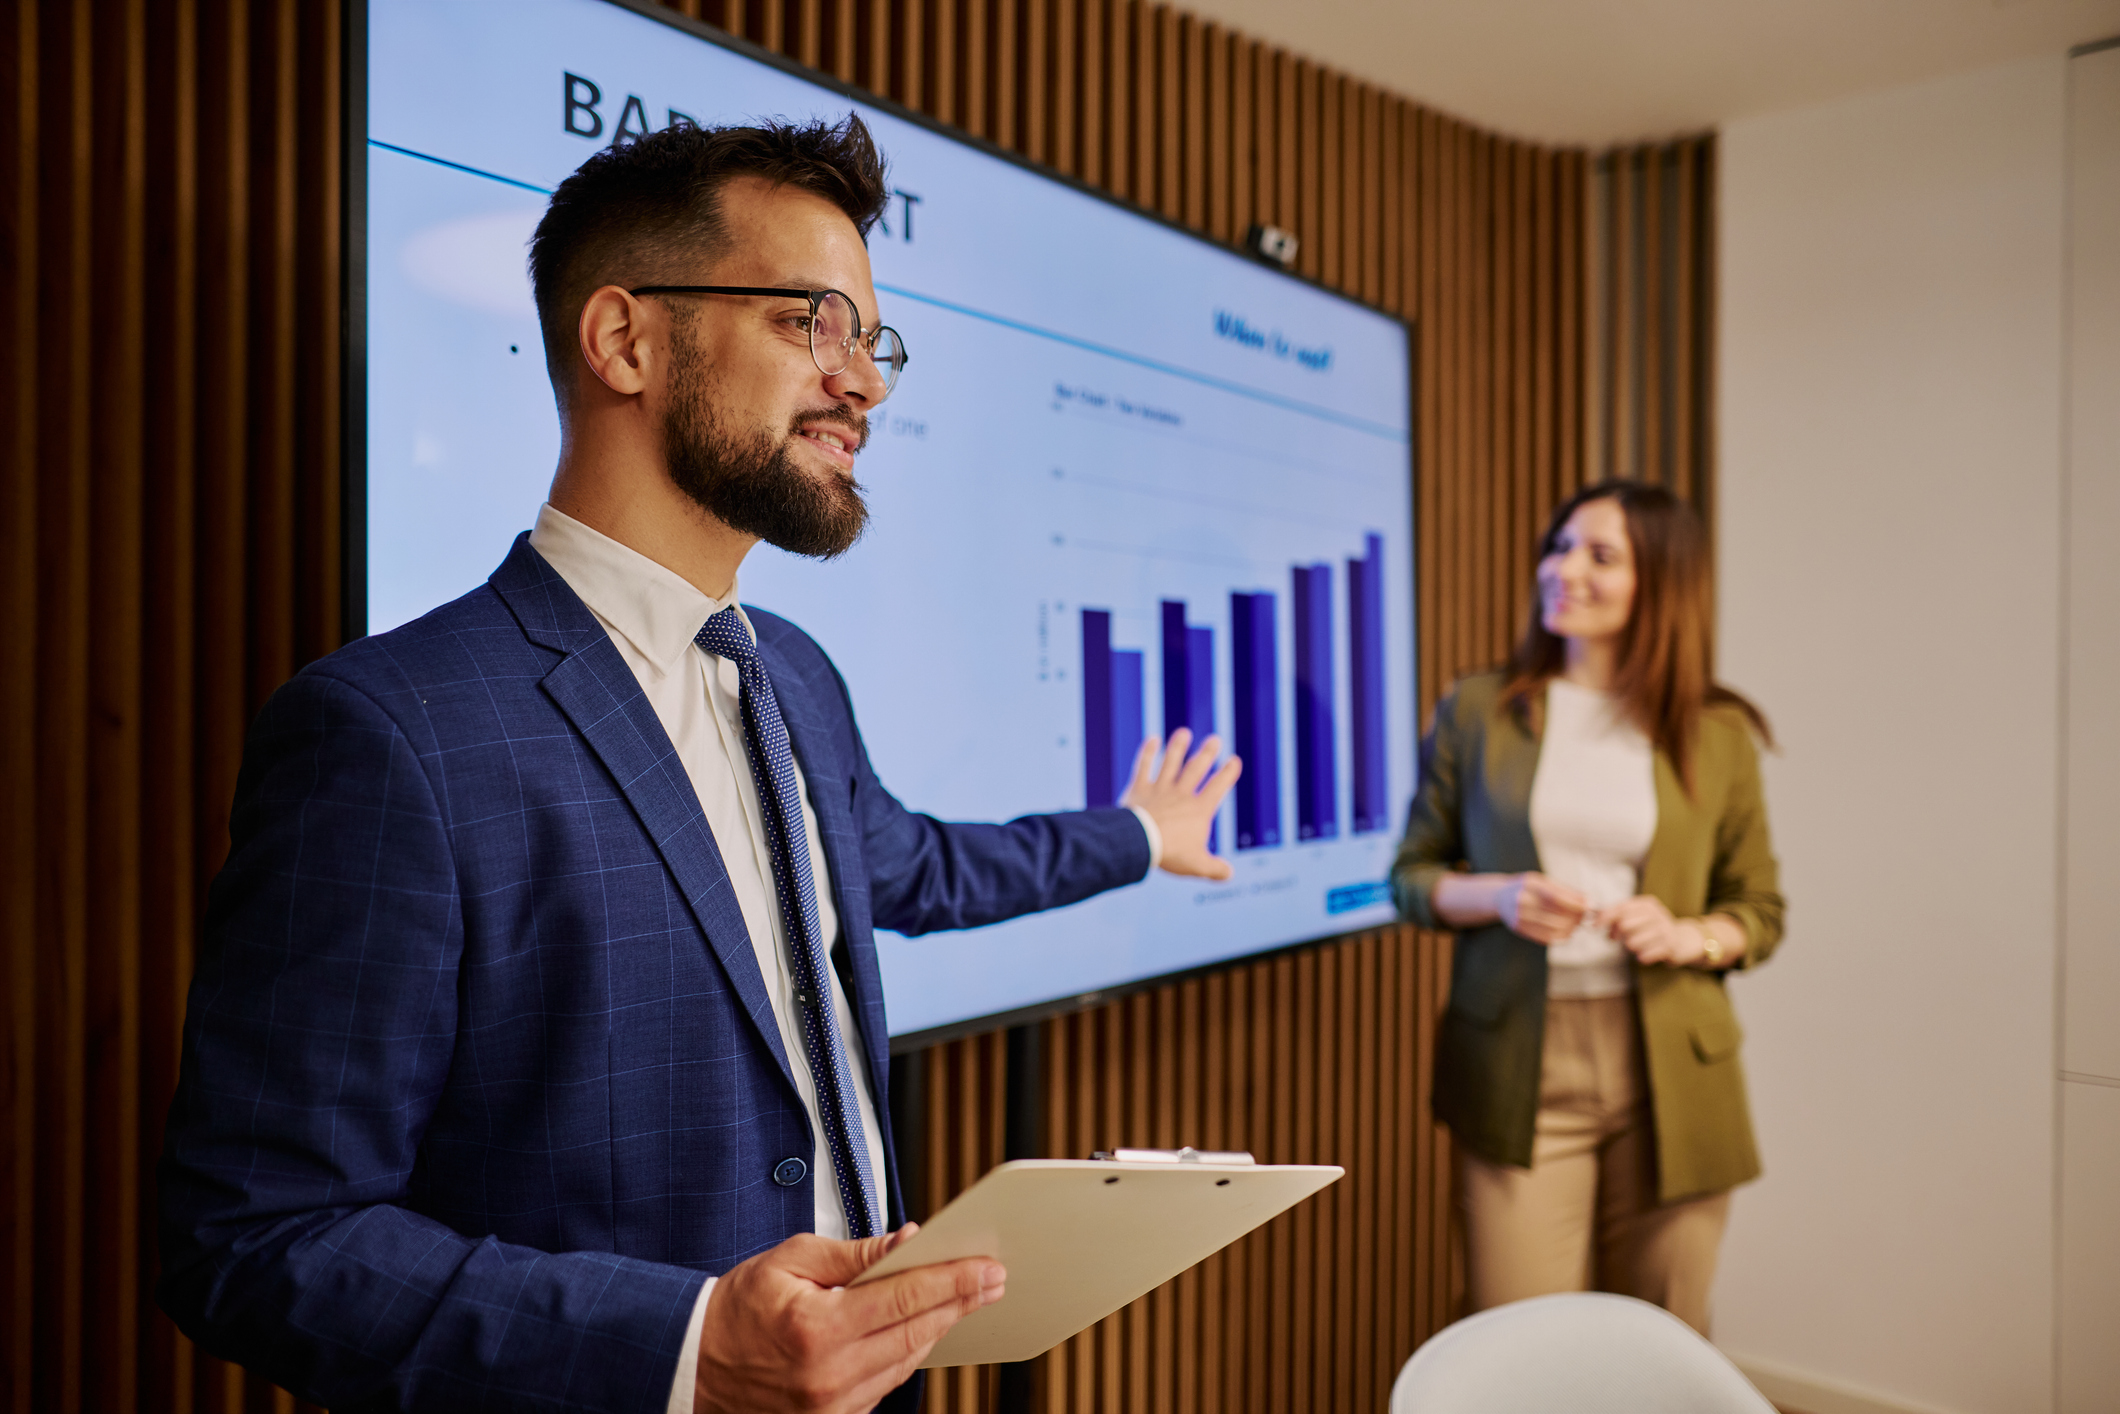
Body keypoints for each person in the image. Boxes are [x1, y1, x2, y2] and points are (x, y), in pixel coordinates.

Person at [157, 116, 1240, 1414]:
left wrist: (1133, 832)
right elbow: (260, 1238)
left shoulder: (794, 674)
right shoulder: (393, 729)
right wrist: (687, 1342)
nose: (867, 385)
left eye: (872, 340)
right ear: (625, 338)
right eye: (811, 322)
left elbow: (913, 865)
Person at [1391, 480, 1783, 1335]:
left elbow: (1758, 909)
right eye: (1560, 547)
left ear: (1661, 581)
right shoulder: (1479, 711)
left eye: (1600, 555)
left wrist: (1689, 934)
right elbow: (1410, 879)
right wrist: (1498, 895)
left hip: (1674, 1072)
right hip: (1522, 1064)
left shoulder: (1716, 733)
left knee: (1662, 1347)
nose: (1564, 569)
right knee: (1518, 1347)